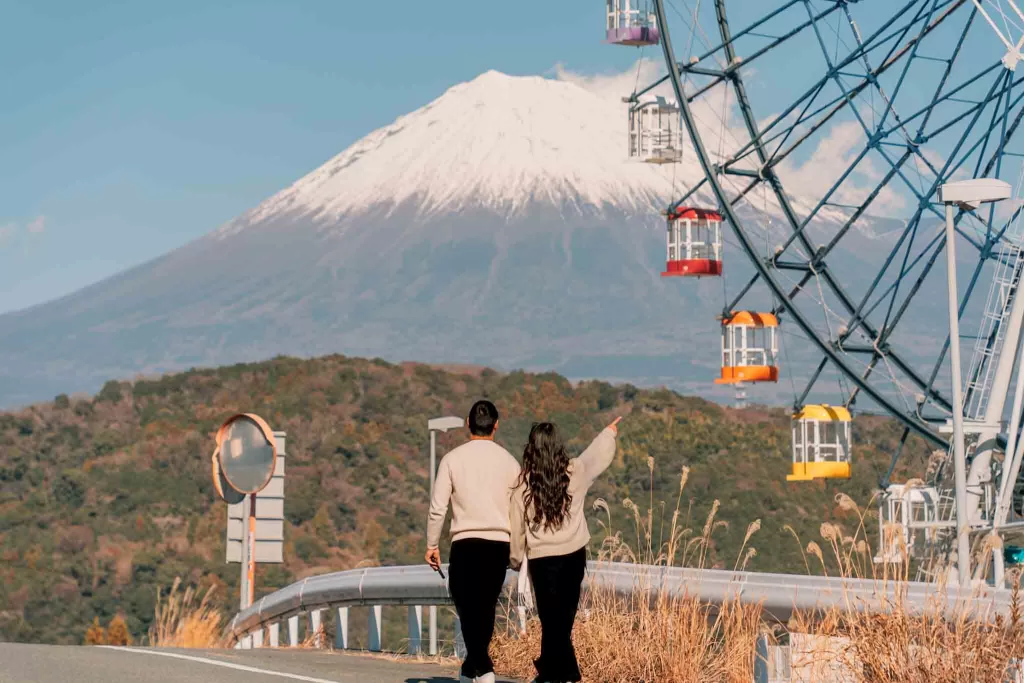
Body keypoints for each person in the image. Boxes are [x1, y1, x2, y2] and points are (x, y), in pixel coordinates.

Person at [510, 417, 621, 683]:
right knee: (563, 620)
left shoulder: (524, 485)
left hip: (542, 559)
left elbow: (517, 529)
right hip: (573, 556)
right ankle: (556, 673)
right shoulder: (575, 472)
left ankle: (560, 673)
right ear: (558, 446)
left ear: (531, 449)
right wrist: (608, 433)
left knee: (551, 620)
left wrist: (515, 559)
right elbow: (595, 457)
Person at [425, 400, 521, 683]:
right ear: (497, 424)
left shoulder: (452, 459)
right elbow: (519, 510)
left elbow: (438, 507)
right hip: (498, 544)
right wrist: (518, 549)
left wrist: (432, 544)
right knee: (486, 606)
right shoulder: (510, 462)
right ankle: (473, 668)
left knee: (467, 606)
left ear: (468, 423)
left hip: (465, 543)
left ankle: (482, 668)